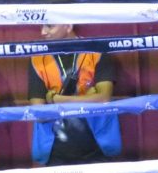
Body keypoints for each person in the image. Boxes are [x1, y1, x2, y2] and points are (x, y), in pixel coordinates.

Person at [28, 23, 120, 166]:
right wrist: (89, 96)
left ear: (68, 26)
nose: (43, 32)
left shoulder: (96, 51)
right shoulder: (38, 59)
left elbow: (103, 99)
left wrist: (56, 99)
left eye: (50, 26)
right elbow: (39, 113)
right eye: (41, 26)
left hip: (98, 148)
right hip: (54, 153)